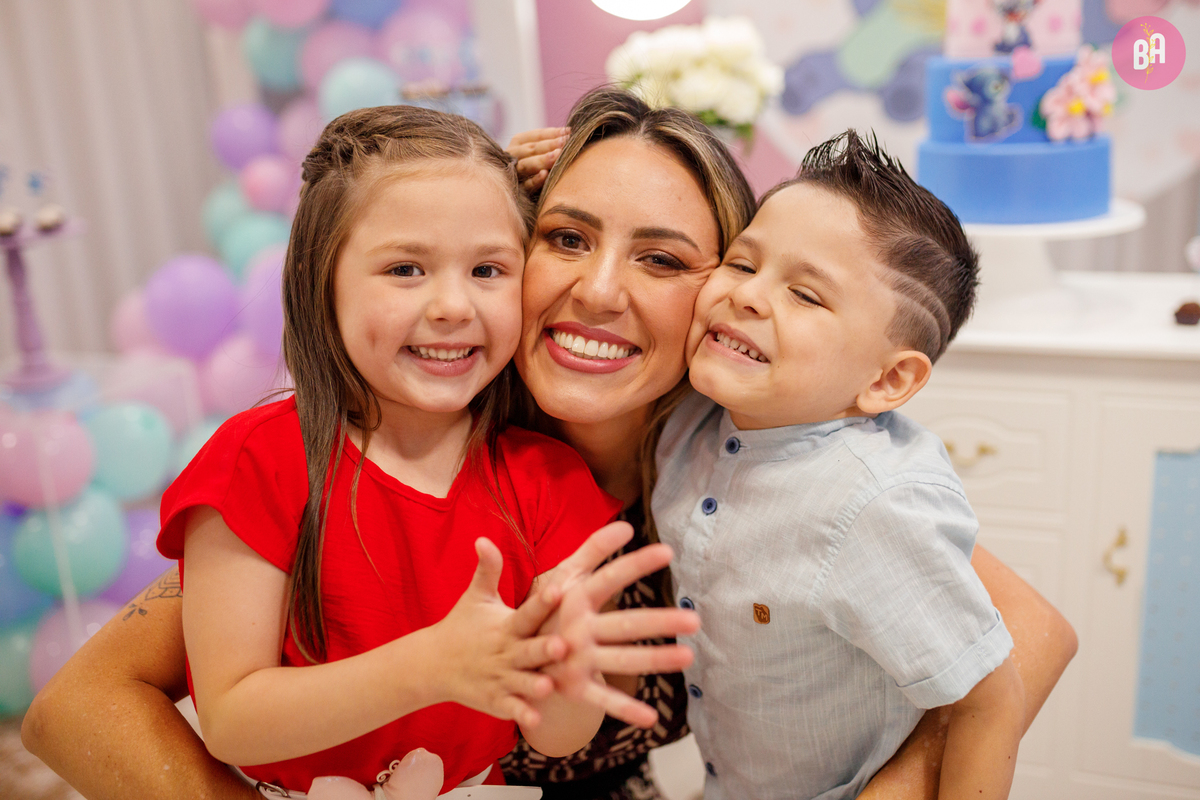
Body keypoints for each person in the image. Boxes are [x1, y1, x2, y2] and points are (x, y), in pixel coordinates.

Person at [22, 87, 1078, 800]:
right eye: (565, 237)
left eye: (663, 257)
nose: (598, 288)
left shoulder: (752, 445)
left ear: (727, 290)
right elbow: (79, 706)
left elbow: (1027, 632)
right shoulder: (397, 444)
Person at [154, 104, 699, 797]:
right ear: (324, 282)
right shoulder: (258, 460)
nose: (451, 306)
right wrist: (433, 665)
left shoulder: (548, 476)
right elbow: (230, 721)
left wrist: (564, 672)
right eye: (406, 269)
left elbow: (557, 738)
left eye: (488, 270)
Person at [653, 130, 1025, 800]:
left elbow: (988, 698)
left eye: (806, 294)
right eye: (743, 264)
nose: (747, 295)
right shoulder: (689, 419)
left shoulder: (875, 505)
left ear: (885, 383)